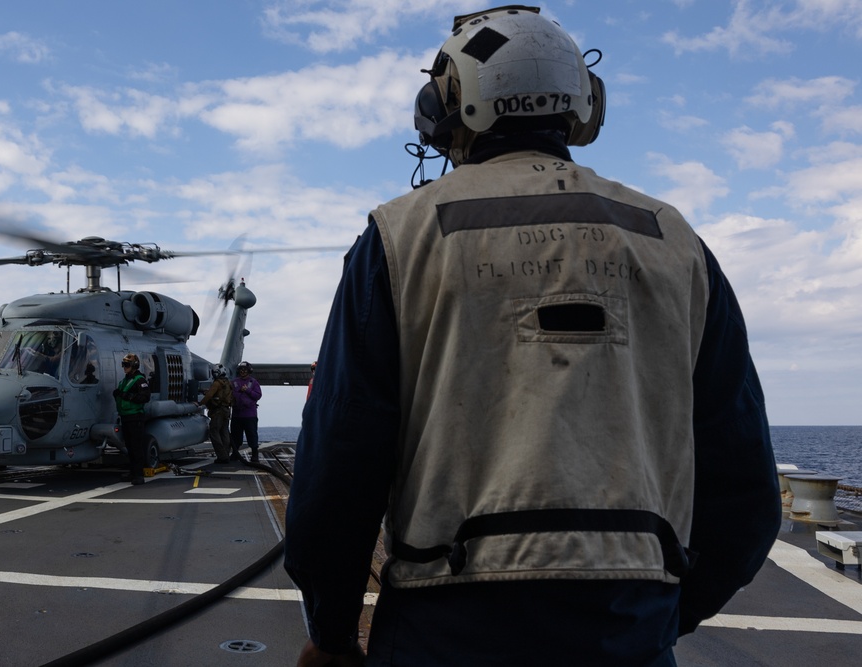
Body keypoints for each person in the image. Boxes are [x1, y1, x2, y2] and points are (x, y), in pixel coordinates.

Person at [283, 7, 781, 667]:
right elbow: (747, 490)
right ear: (583, 105)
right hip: (629, 628)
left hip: (444, 631)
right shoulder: (675, 242)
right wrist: (659, 615)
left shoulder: (399, 237)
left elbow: (339, 462)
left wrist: (333, 631)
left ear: (445, 105)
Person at [114, 352, 151, 485]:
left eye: (127, 365)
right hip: (126, 417)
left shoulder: (139, 380)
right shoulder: (125, 380)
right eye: (123, 364)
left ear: (134, 366)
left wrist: (127, 396)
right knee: (129, 446)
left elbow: (145, 397)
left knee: (136, 446)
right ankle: (133, 472)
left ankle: (139, 475)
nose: (124, 367)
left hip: (135, 418)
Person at [199, 364, 234, 464]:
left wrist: (200, 403)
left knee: (214, 432)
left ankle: (222, 456)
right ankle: (226, 454)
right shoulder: (228, 383)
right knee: (224, 432)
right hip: (226, 410)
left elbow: (210, 395)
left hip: (218, 411)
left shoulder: (217, 383)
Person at [230, 360, 262, 463]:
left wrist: (247, 390)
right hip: (236, 414)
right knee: (235, 436)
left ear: (249, 371)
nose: (243, 372)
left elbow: (258, 395)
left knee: (252, 435)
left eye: (245, 370)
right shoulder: (234, 382)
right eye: (241, 370)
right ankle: (235, 454)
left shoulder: (253, 382)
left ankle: (255, 455)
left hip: (249, 415)